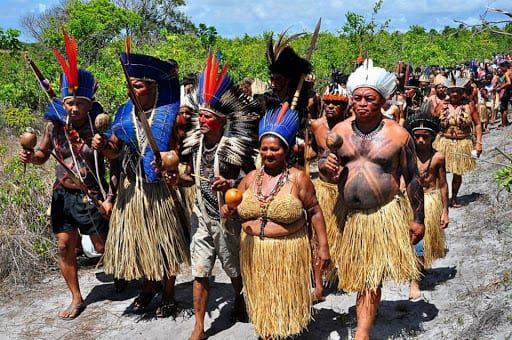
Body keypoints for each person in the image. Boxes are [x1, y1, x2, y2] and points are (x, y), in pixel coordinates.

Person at [319, 59, 425, 340]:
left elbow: (413, 177)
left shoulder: (398, 135)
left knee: (369, 277)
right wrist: (324, 166)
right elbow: (324, 166)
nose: (362, 103)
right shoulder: (339, 131)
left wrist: (418, 219)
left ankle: (362, 332)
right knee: (352, 274)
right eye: (357, 98)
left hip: (380, 215)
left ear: (382, 101)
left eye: (369, 98)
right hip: (347, 216)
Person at [19, 30, 113, 320]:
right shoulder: (54, 127)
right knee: (64, 245)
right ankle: (76, 297)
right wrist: (30, 156)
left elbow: (115, 160)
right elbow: (42, 156)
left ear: (89, 104)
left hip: (91, 194)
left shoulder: (98, 128)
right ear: (63, 104)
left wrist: (104, 147)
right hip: (62, 192)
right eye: (69, 103)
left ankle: (121, 268)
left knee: (101, 246)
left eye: (79, 103)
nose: (73, 108)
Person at [93, 51, 190, 318]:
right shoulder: (124, 113)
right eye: (129, 85)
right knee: (141, 242)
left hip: (161, 189)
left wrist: (171, 162)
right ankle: (149, 285)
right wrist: (104, 147)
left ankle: (168, 292)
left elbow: (181, 151)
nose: (130, 90)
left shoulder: (169, 114)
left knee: (164, 242)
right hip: (133, 190)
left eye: (137, 85)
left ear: (153, 86)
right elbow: (115, 150)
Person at [221, 104, 330, 339]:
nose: (268, 154)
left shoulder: (298, 178)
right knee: (263, 306)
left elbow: (315, 211)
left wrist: (323, 247)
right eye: (264, 149)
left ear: (286, 149)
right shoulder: (250, 178)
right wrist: (227, 211)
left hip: (287, 252)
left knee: (285, 305)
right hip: (254, 253)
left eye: (275, 149)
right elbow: (231, 207)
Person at [178, 50, 262, 340]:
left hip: (227, 218)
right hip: (201, 215)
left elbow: (251, 180)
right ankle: (199, 327)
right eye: (199, 115)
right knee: (200, 270)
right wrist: (177, 177)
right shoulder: (193, 144)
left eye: (205, 116)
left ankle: (239, 297)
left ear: (221, 120)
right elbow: (189, 178)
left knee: (233, 268)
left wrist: (231, 184)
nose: (200, 120)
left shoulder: (235, 147)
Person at [310, 80, 349, 300]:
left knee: (344, 235)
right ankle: (318, 285)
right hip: (323, 188)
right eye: (328, 102)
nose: (331, 106)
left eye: (336, 103)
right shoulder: (316, 126)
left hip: (344, 190)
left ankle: (344, 274)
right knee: (318, 238)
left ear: (346, 106)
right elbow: (315, 153)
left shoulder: (352, 127)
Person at [405, 107, 449, 301]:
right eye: (417, 136)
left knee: (420, 242)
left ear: (432, 138)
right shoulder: (407, 156)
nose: (421, 140)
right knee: (412, 240)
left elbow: (443, 184)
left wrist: (445, 210)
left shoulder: (438, 157)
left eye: (425, 137)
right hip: (410, 201)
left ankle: (415, 279)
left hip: (430, 201)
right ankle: (414, 268)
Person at [433, 76, 483, 208]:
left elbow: (478, 124)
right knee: (440, 172)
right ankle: (441, 200)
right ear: (448, 92)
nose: (455, 94)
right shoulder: (441, 105)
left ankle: (454, 198)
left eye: (458, 91)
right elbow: (432, 123)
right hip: (443, 142)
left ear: (463, 92)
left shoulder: (469, 105)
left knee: (457, 173)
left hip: (462, 143)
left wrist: (478, 143)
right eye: (452, 91)